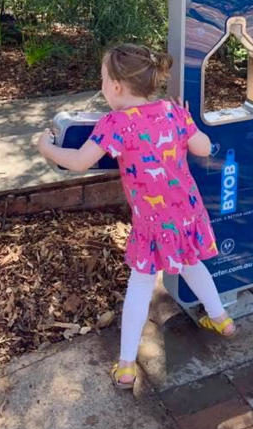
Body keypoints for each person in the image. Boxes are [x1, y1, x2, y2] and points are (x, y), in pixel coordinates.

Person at [37, 43, 236, 390]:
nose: (102, 86)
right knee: (193, 265)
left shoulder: (115, 123)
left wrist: (46, 148)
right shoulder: (174, 113)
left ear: (116, 87)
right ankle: (221, 319)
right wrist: (188, 121)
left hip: (153, 223)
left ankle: (127, 365)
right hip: (188, 212)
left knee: (140, 286)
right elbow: (203, 148)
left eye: (102, 80)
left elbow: (80, 161)